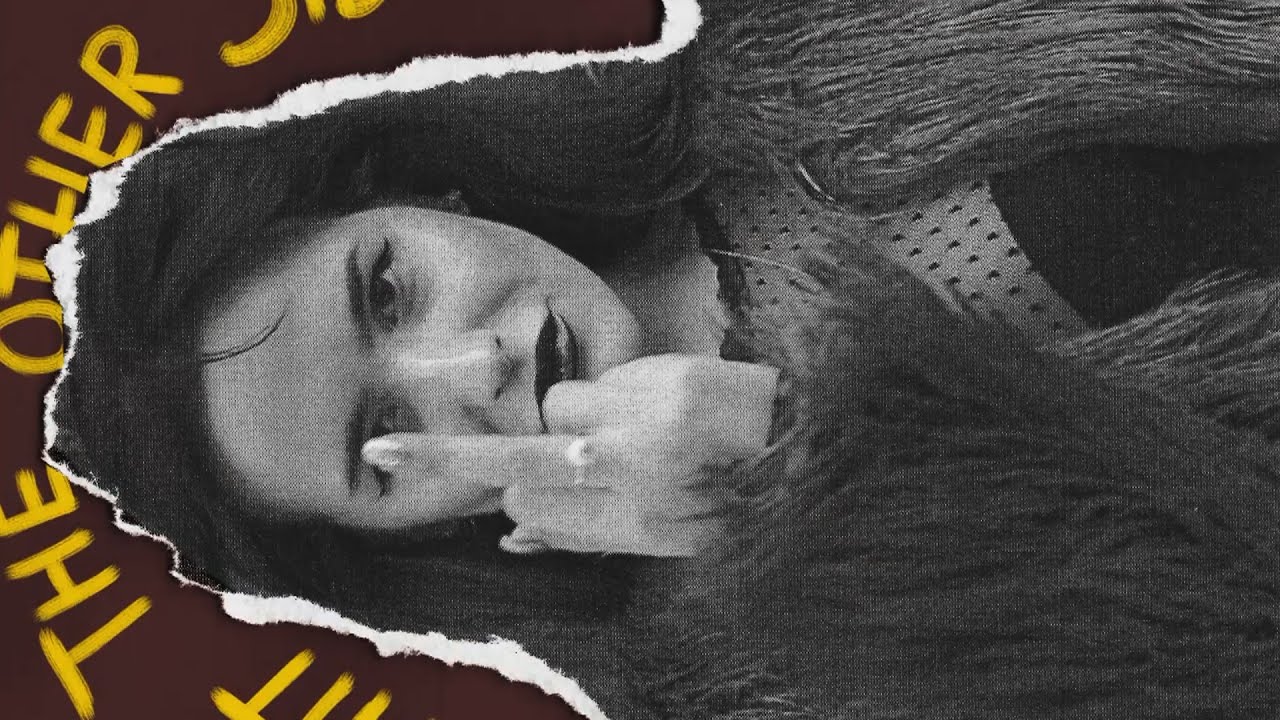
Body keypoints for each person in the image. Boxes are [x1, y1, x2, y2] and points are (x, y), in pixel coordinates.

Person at [51, 3, 1280, 717]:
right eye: (381, 442)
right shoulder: (740, 681)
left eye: (386, 287)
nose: (468, 366)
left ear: (417, 192)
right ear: (416, 537)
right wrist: (797, 479)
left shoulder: (774, 45)